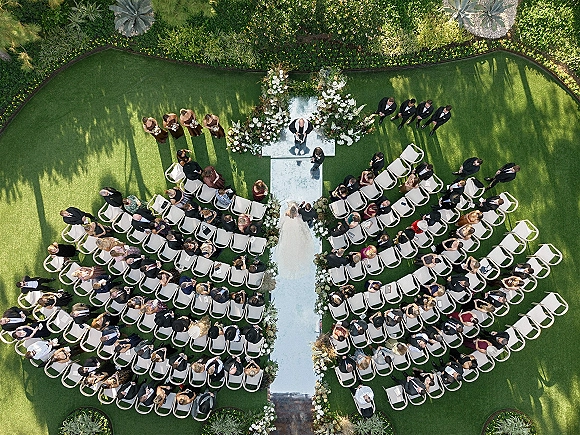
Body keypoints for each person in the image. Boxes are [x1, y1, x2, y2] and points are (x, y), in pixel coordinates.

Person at [275, 201, 316, 279]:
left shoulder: (286, 214)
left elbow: (282, 221)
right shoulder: (298, 215)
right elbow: (300, 216)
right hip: (295, 225)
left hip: (288, 226)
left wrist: (279, 228)